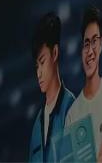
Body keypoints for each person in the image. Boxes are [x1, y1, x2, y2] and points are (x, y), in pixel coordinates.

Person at [65, 5, 102, 162]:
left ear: (101, 44)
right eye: (86, 43)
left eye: (94, 41)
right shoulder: (72, 114)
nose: (90, 51)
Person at [29, 13, 76, 163]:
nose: (39, 73)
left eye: (42, 62)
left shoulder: (71, 108)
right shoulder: (37, 125)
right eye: (36, 66)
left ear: (55, 53)